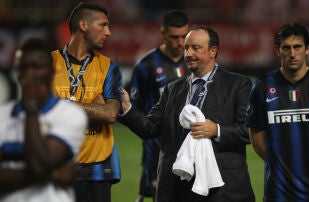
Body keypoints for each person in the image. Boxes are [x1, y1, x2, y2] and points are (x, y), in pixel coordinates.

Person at [119, 25, 255, 202]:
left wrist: (217, 130)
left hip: (221, 187)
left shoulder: (237, 84)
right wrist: (127, 109)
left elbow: (249, 131)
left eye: (195, 48)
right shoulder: (172, 89)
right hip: (177, 185)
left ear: (213, 51)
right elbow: (150, 128)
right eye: (186, 48)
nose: (188, 53)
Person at [246, 22, 309, 202]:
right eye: (286, 48)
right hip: (278, 193)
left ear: (308, 49)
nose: (292, 54)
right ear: (278, 50)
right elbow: (257, 139)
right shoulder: (262, 88)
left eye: (297, 47)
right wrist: (280, 168)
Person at [51, 2, 122, 202]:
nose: (108, 32)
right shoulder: (48, 64)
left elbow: (110, 114)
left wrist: (62, 104)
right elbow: (43, 114)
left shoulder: (109, 68)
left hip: (98, 168)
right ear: (83, 25)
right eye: (103, 25)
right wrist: (95, 107)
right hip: (59, 165)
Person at [0, 38, 87, 202]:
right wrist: (53, 175)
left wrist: (31, 109)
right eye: (23, 68)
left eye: (36, 67)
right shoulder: (2, 115)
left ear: (52, 72)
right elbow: (41, 169)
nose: (29, 74)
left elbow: (39, 165)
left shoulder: (69, 114)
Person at [129, 9, 190, 202]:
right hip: (157, 150)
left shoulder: (195, 61)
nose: (180, 43)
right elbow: (135, 108)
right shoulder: (146, 66)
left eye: (184, 36)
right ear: (162, 34)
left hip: (192, 145)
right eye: (174, 37)